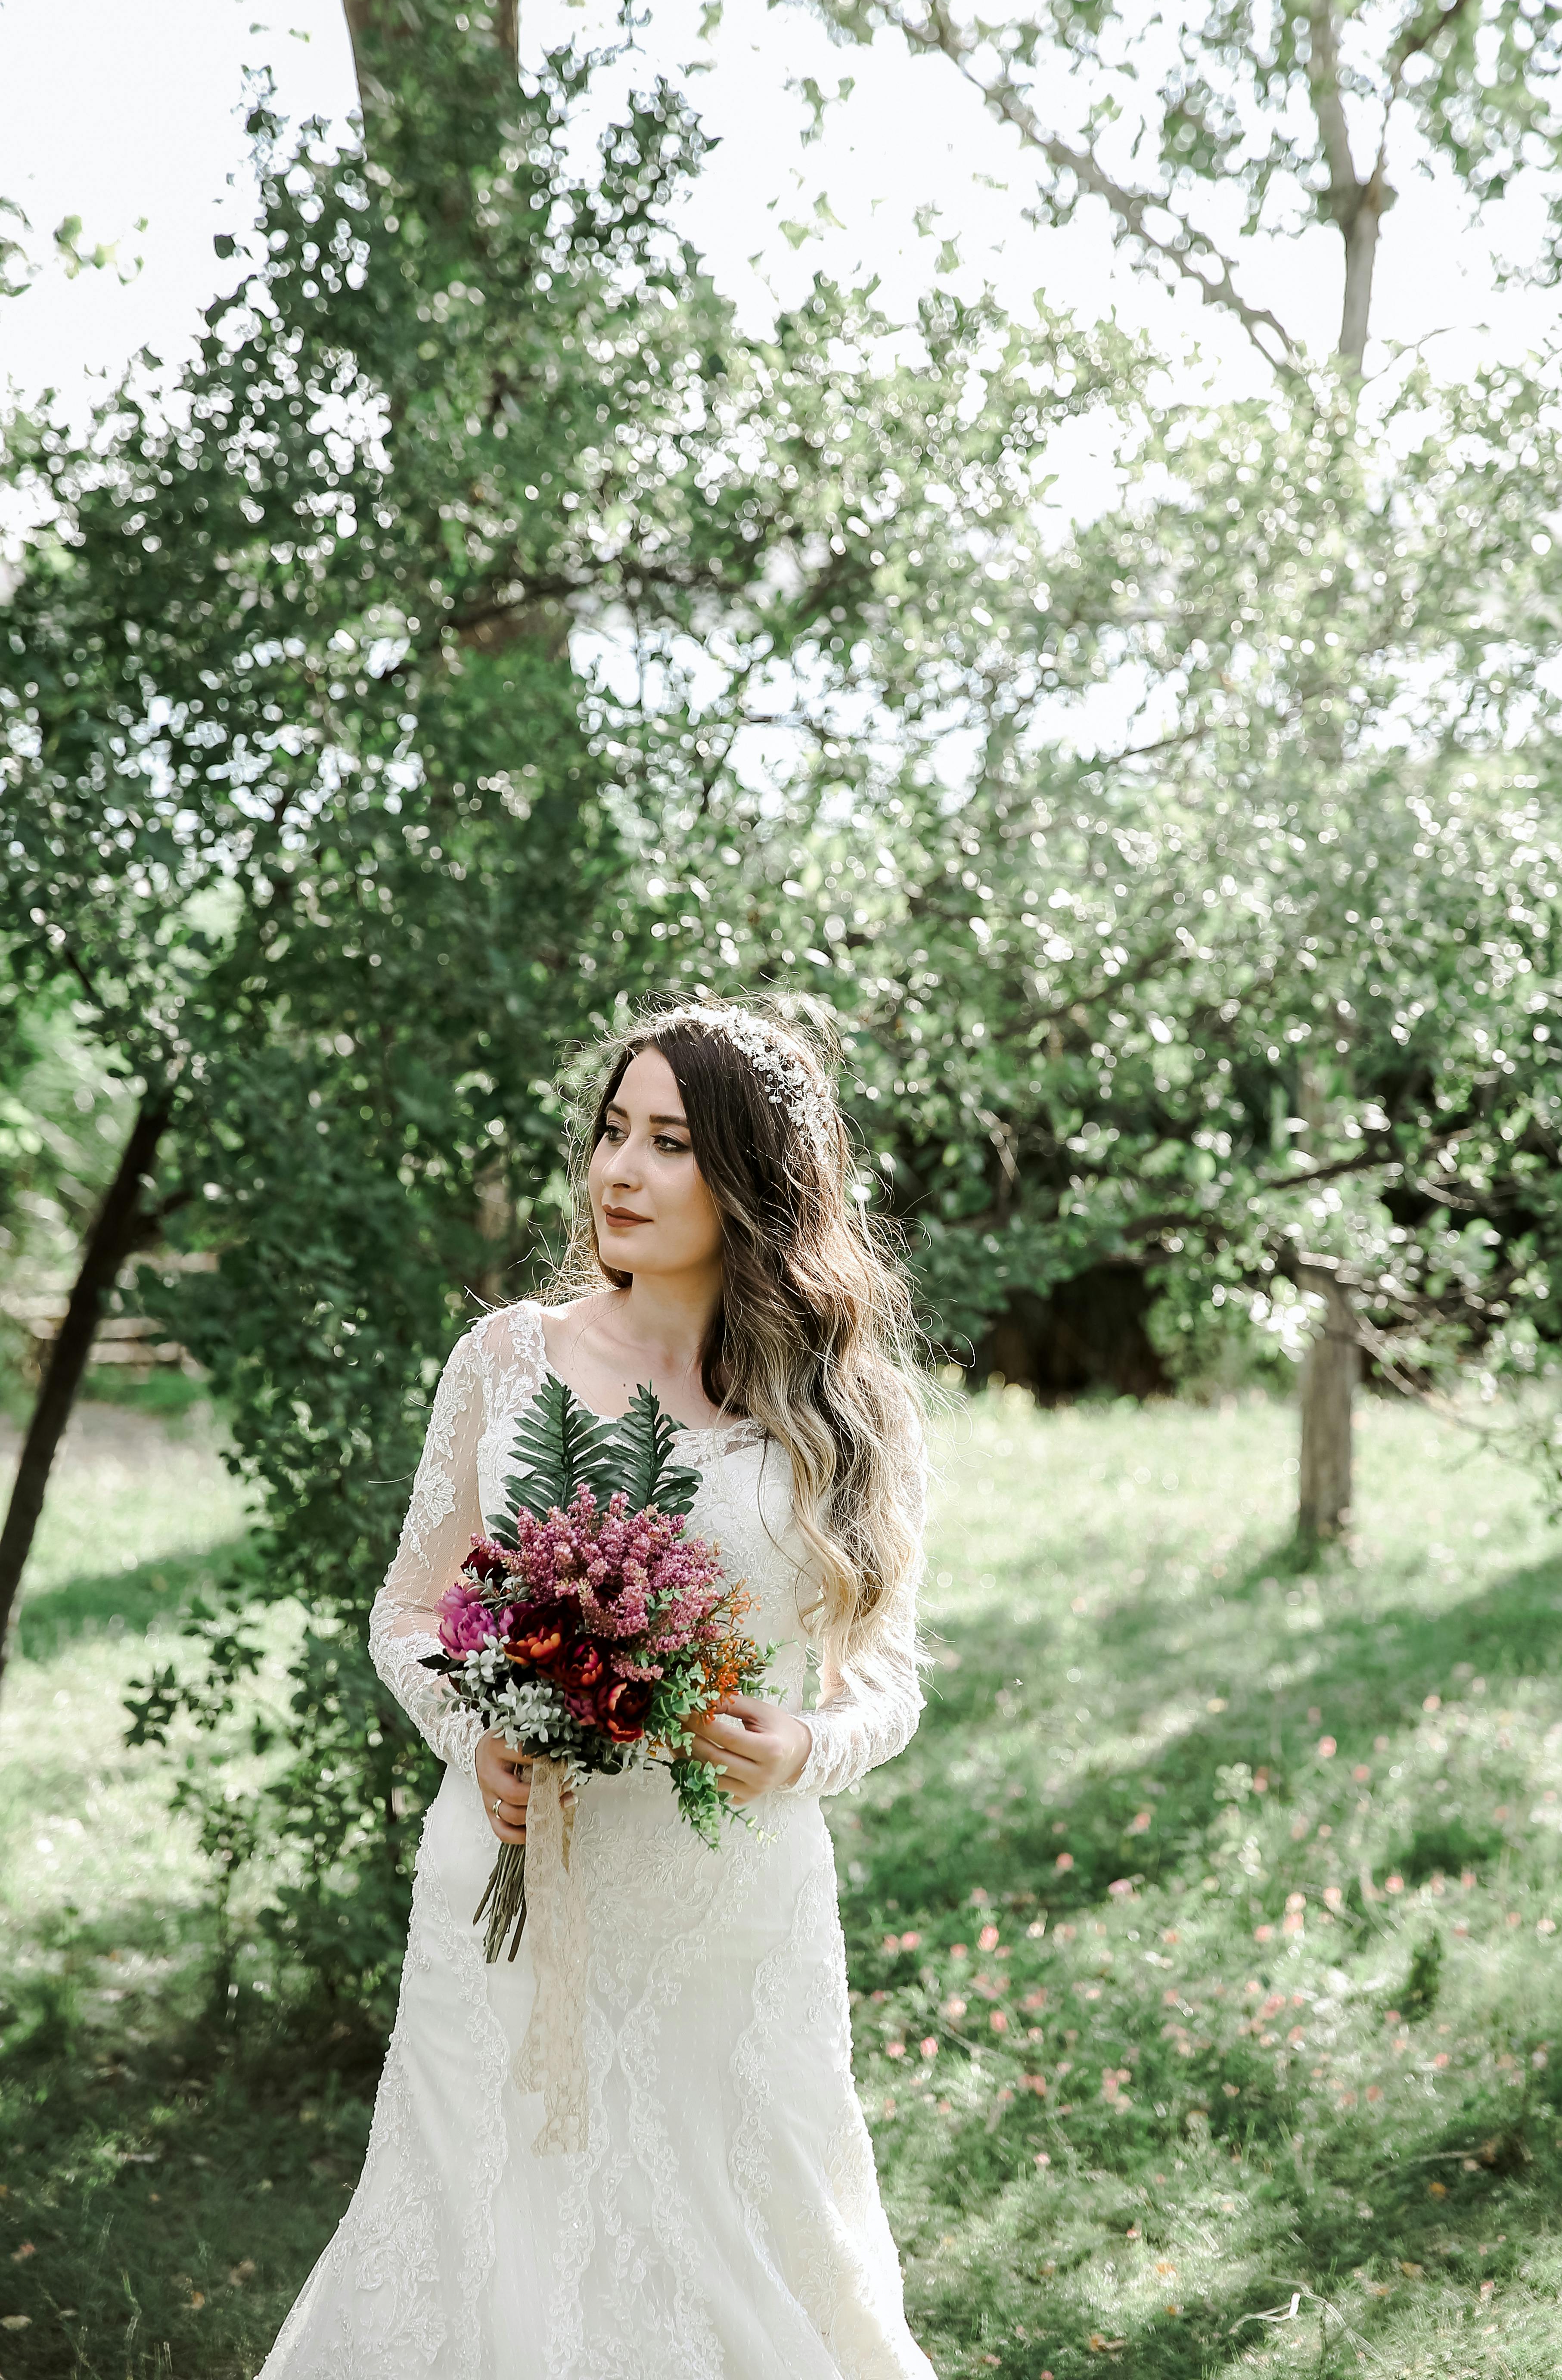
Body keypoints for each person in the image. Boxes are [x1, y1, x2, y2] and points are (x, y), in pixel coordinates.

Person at [258, 996, 935, 2379]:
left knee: (745, 2248)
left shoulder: (844, 1406)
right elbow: (411, 1608)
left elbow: (891, 1677)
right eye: (612, 1132)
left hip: (726, 1911)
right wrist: (478, 1734)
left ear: (754, 1177)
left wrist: (807, 1741)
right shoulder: (508, 1361)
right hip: (513, 1889)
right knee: (478, 2231)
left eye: (670, 1142)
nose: (618, 1173)